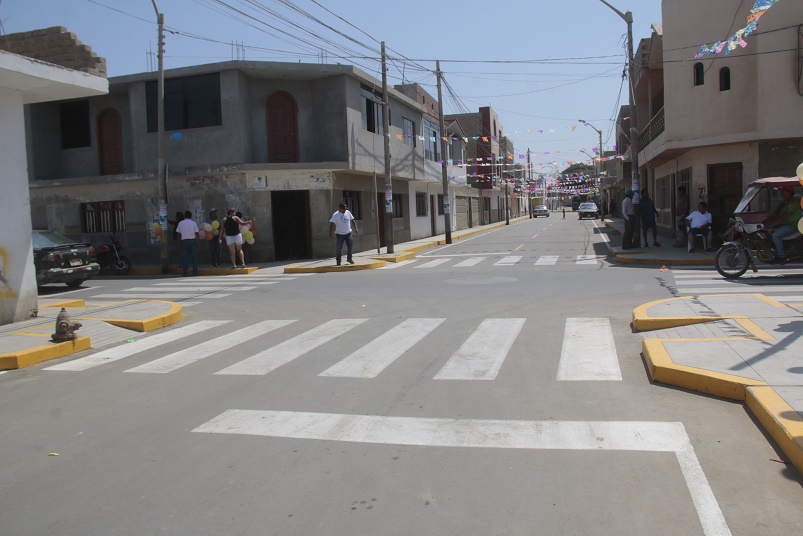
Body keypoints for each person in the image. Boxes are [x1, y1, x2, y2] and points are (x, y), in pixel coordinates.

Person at [763, 185, 801, 263]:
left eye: (783, 191)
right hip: (782, 225)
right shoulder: (783, 203)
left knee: (775, 235)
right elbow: (776, 215)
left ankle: (781, 256)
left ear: (789, 192)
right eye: (781, 191)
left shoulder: (793, 203)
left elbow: (784, 216)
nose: (781, 193)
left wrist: (773, 224)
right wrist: (768, 221)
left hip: (792, 225)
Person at [175, 210, 200, 276]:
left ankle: (185, 271)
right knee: (194, 256)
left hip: (184, 241)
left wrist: (178, 241)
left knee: (185, 257)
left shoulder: (181, 223)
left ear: (185, 216)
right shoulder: (193, 223)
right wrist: (198, 242)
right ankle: (195, 271)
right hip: (192, 241)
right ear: (191, 216)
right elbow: (197, 233)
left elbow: (178, 233)